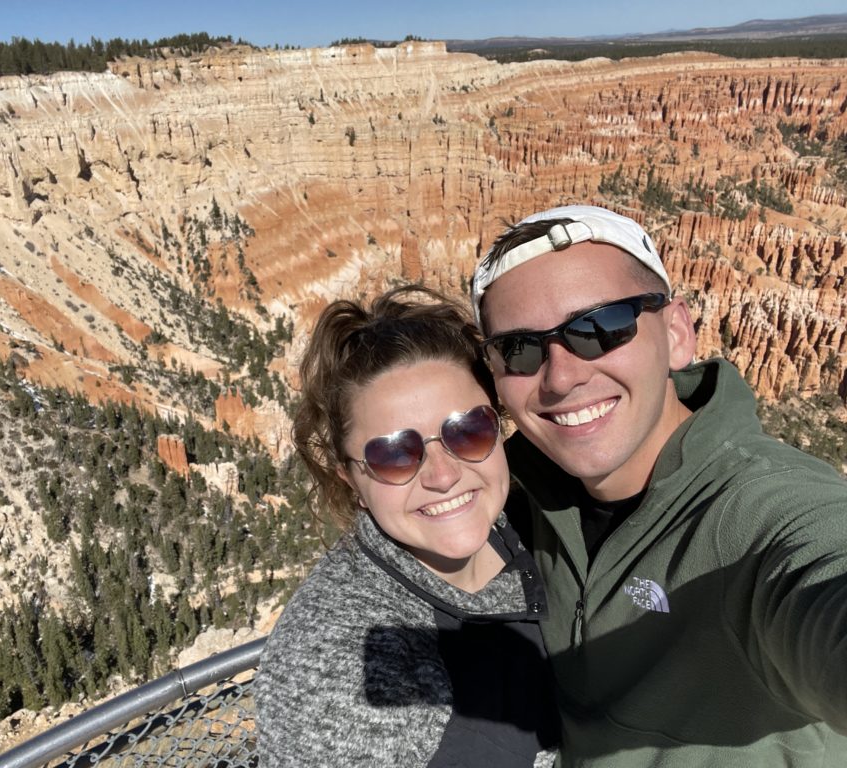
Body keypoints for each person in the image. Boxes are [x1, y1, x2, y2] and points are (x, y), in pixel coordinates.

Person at [470, 204, 847, 766]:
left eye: (599, 327)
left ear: (676, 333)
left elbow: (820, 579)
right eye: (520, 349)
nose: (563, 375)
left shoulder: (757, 511)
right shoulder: (529, 499)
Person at [254, 286, 559, 767]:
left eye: (469, 429)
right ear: (351, 478)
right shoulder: (339, 664)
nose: (443, 475)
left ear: (499, 427)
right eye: (394, 453)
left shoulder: (542, 516)